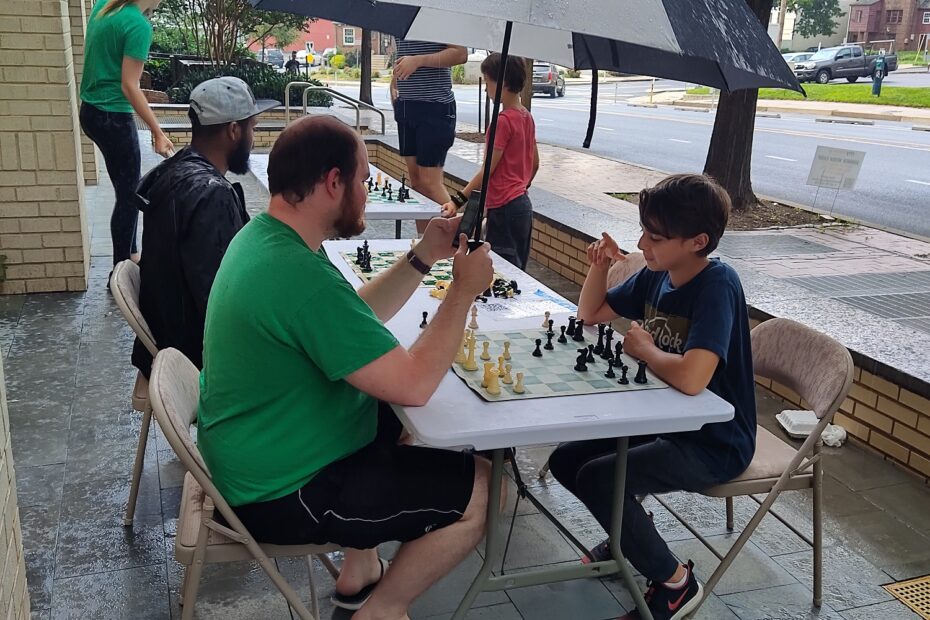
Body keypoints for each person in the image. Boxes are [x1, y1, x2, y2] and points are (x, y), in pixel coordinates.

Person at [197, 115, 500, 620]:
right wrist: (464, 290)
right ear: (333, 182)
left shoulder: (267, 238)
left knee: (388, 417)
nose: (366, 193)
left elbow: (355, 315)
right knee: (487, 489)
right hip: (281, 492)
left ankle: (359, 570)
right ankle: (381, 611)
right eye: (363, 181)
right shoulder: (297, 274)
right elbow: (415, 384)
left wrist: (424, 255)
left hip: (256, 455)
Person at [547, 174, 757, 620]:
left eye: (656, 238)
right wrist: (599, 265)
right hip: (663, 421)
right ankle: (632, 535)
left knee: (600, 480)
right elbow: (590, 313)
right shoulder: (657, 275)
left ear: (698, 242)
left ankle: (676, 584)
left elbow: (694, 378)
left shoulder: (718, 285)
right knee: (566, 459)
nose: (642, 244)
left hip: (714, 440)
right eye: (643, 232)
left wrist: (646, 350)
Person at [130, 77, 278, 378]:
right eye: (252, 128)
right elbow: (223, 301)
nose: (253, 138)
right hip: (197, 356)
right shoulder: (212, 195)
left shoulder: (174, 171)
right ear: (234, 131)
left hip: (171, 336)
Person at [79, 0, 174, 268]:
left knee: (127, 190)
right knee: (129, 197)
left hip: (90, 112)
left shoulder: (105, 6)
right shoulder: (137, 25)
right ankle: (121, 270)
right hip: (112, 117)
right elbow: (129, 86)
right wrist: (157, 131)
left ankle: (131, 253)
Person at [440, 54, 539, 270]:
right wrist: (519, 186)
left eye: (488, 82)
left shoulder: (502, 122)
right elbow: (535, 164)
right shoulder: (526, 117)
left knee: (499, 271)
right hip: (522, 206)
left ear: (502, 82)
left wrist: (457, 201)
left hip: (504, 209)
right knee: (517, 271)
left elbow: (487, 171)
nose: (486, 89)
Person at [391, 40, 467, 229]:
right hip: (406, 106)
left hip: (435, 107)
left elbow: (460, 54)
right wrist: (394, 83)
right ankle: (425, 241)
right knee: (417, 183)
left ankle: (463, 236)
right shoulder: (401, 23)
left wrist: (418, 61)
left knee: (429, 182)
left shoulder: (435, 22)